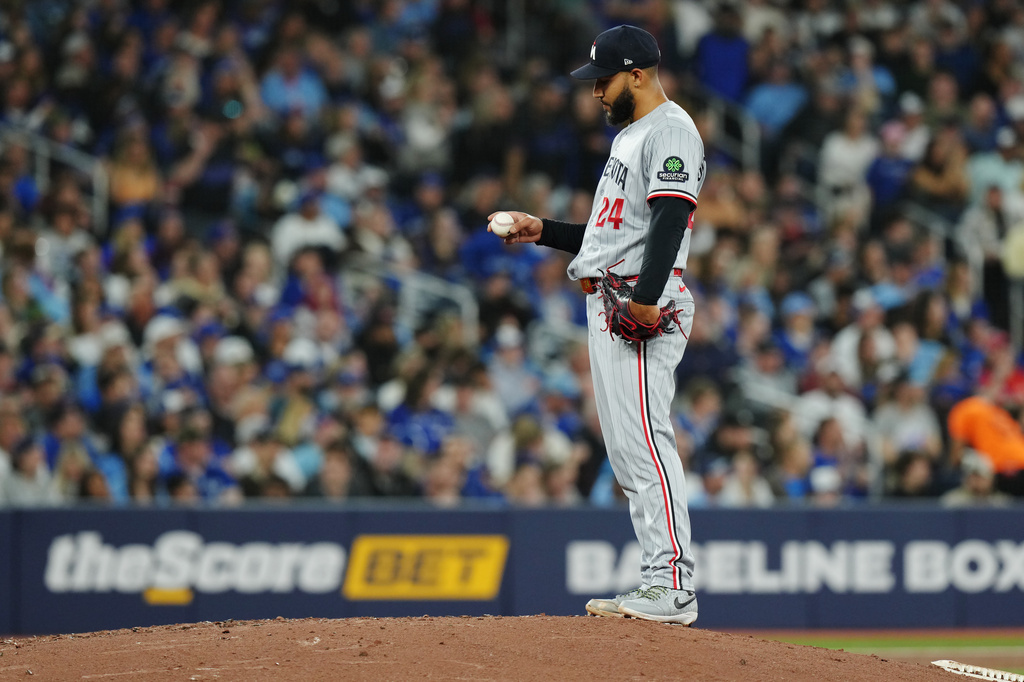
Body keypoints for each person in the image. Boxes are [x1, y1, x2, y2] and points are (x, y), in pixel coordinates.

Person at [492, 25, 704, 625]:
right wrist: (545, 231)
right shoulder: (634, 136)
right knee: (627, 453)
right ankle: (657, 580)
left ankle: (673, 585)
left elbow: (670, 219)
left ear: (637, 74)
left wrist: (646, 296)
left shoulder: (669, 130)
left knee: (645, 444)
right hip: (613, 294)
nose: (594, 94)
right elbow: (615, 236)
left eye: (603, 82)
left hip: (639, 303)